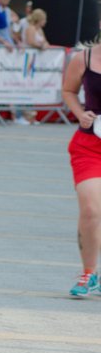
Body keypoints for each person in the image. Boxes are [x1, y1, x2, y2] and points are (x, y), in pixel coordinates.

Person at [62, 44, 101, 298]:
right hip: (89, 146)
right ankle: (89, 273)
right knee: (91, 210)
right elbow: (68, 91)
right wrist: (80, 113)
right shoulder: (84, 58)